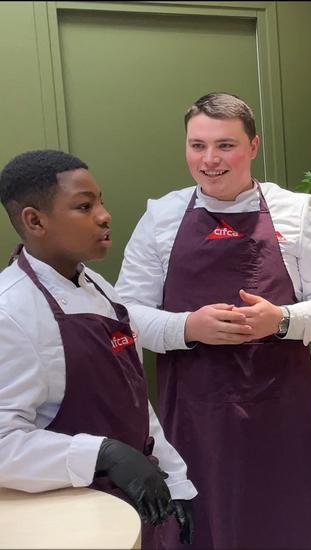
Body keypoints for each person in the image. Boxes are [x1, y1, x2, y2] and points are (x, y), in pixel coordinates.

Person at [115, 92, 311, 549]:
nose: (209, 160)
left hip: (279, 407)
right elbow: (126, 315)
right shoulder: (161, 217)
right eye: (197, 145)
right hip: (195, 412)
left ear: (254, 146)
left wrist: (281, 320)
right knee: (203, 523)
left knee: (282, 520)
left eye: (225, 145)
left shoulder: (294, 212)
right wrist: (188, 327)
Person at [0, 150, 196, 548]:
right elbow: (4, 444)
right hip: (67, 521)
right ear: (35, 221)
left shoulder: (102, 290)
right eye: (84, 206)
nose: (105, 215)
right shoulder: (11, 312)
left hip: (136, 506)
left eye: (100, 201)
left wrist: (176, 482)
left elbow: (135, 401)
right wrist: (102, 454)